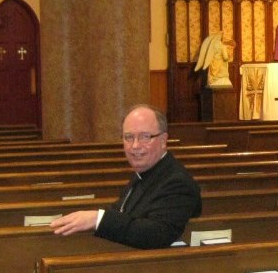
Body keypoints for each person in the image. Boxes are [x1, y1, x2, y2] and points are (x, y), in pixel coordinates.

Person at [50, 105, 203, 249]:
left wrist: (98, 219)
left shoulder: (176, 182)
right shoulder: (146, 172)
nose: (135, 145)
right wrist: (89, 218)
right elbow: (122, 211)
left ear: (163, 141)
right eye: (128, 137)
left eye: (145, 137)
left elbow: (157, 234)